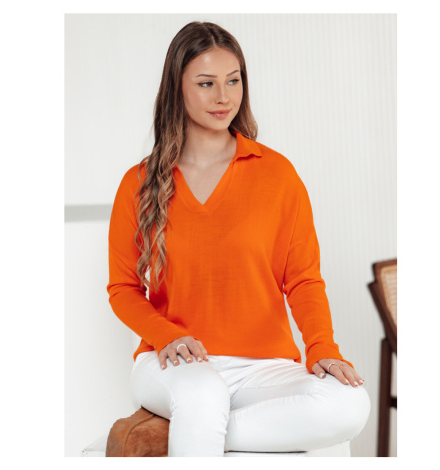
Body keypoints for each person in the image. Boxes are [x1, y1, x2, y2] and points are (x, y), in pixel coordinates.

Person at [107, 21, 371, 457]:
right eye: (206, 83)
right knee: (203, 395)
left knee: (348, 405)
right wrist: (166, 335)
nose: (224, 97)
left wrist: (322, 347)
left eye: (233, 81)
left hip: (265, 367)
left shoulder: (277, 174)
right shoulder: (138, 183)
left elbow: (303, 279)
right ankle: (201, 425)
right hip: (174, 361)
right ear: (176, 88)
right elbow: (123, 288)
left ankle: (192, 436)